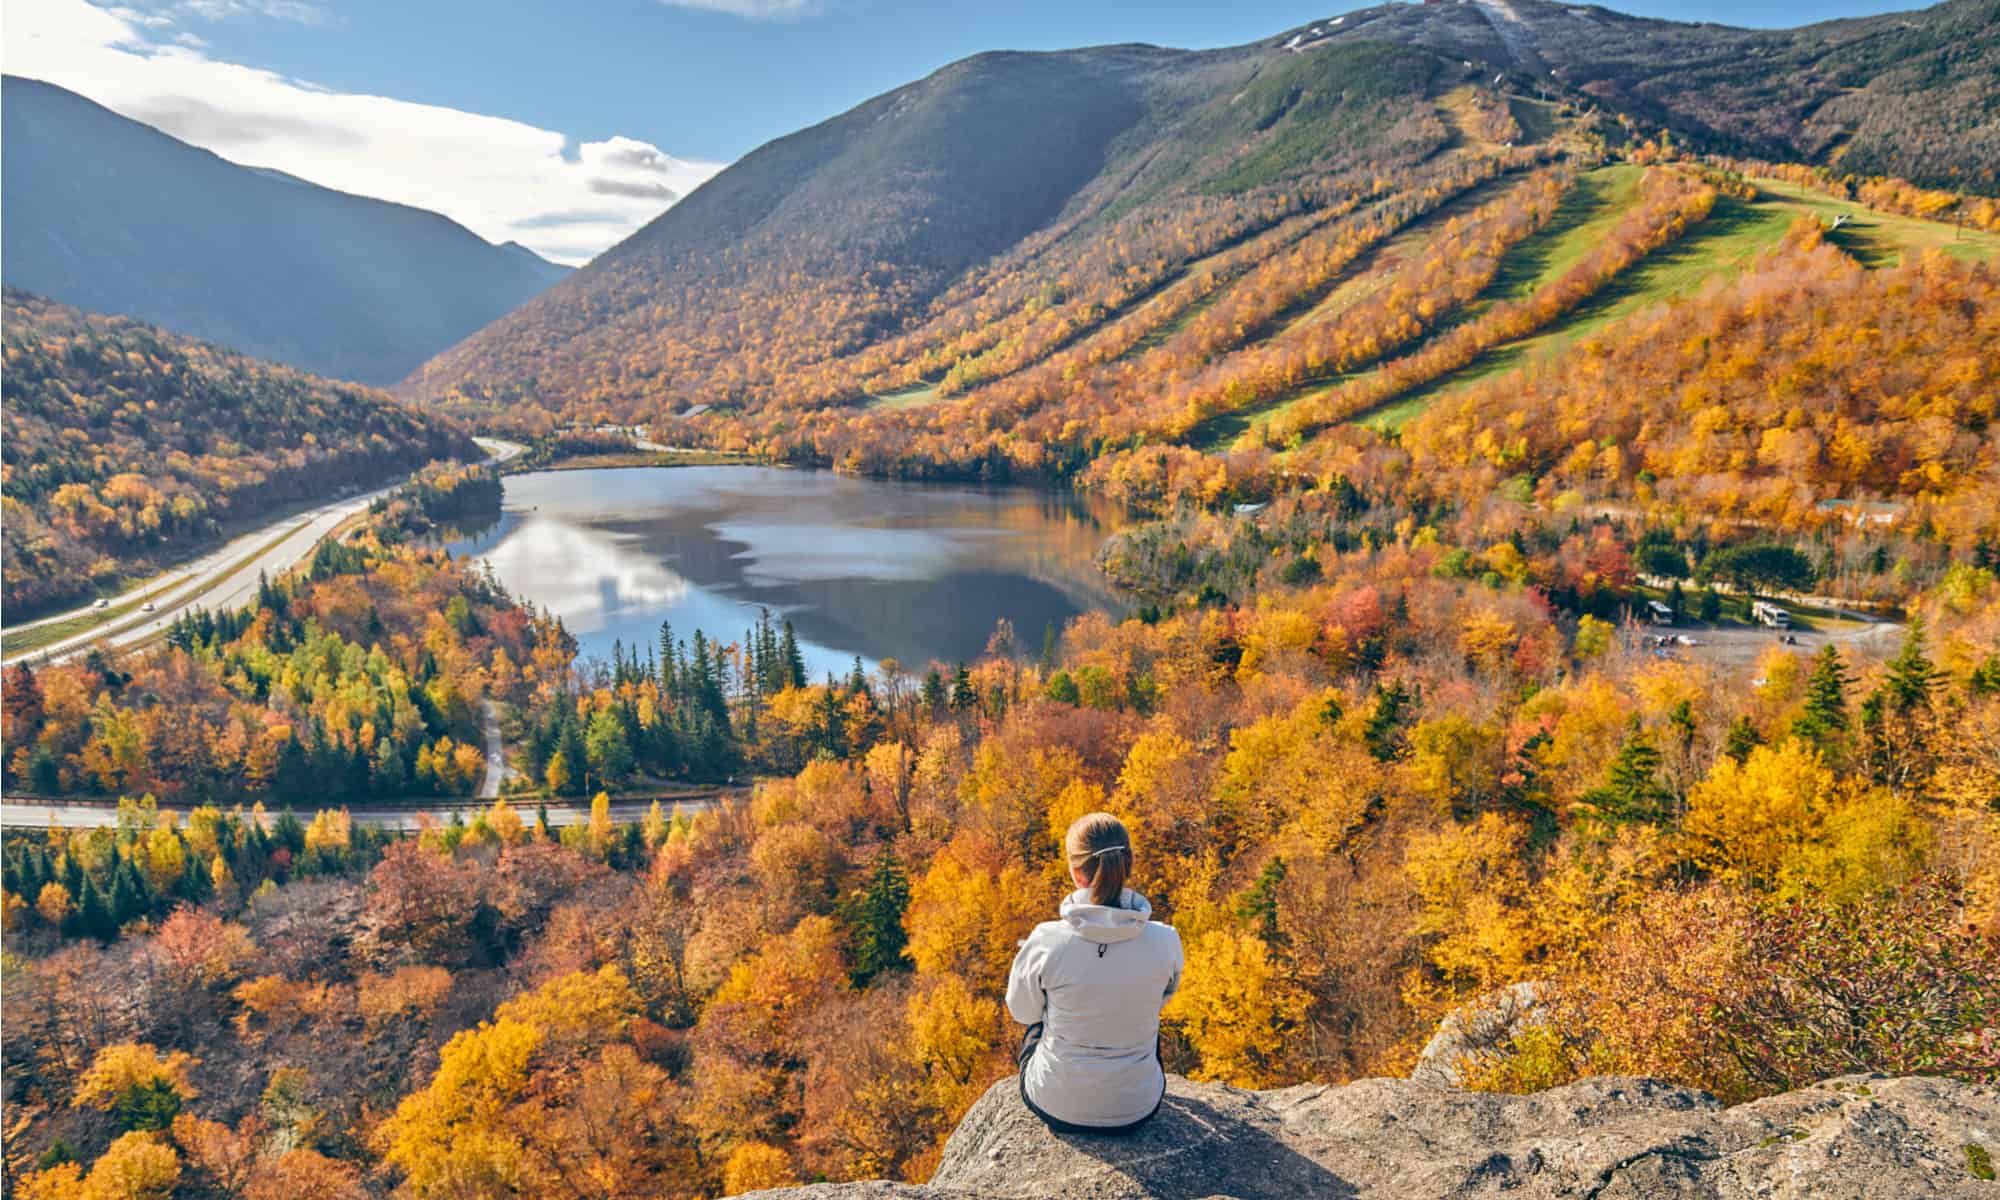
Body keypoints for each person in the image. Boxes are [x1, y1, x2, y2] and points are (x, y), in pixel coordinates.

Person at [1006, 811, 1184, 1134]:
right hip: (1138, 1107)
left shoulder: (1047, 940)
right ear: (1128, 864)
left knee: (1037, 1022)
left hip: (1055, 1102)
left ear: (1076, 873)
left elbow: (1022, 1011)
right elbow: (1162, 999)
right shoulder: (1166, 940)